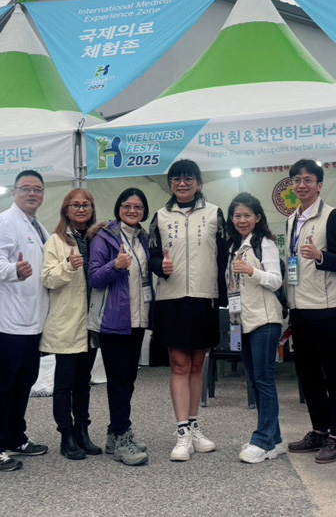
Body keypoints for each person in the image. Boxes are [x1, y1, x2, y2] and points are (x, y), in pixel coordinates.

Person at [148, 159, 226, 462]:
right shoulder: (160, 216)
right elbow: (152, 255)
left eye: (188, 178)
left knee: (197, 364)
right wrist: (161, 266)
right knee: (179, 364)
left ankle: (194, 427)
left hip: (204, 297)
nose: (182, 183)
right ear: (170, 184)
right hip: (172, 298)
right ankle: (182, 432)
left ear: (198, 183)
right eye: (177, 179)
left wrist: (223, 297)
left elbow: (223, 257)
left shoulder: (215, 214)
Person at [0, 170, 50, 471]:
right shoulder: (5, 222)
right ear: (14, 192)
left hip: (31, 320)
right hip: (6, 321)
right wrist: (14, 271)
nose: (32, 194)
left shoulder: (38, 226)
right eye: (26, 188)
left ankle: (14, 436)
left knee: (24, 381)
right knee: (3, 385)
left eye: (37, 189)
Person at [284, 159, 336, 464]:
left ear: (319, 185)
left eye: (308, 180)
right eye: (297, 180)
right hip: (299, 306)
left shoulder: (333, 216)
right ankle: (319, 430)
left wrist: (320, 255)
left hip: (327, 307)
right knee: (307, 372)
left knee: (333, 373)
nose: (302, 185)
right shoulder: (291, 219)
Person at [88, 188, 152, 466]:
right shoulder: (104, 237)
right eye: (127, 205)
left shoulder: (144, 238)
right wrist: (115, 265)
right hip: (113, 320)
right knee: (119, 381)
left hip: (138, 319)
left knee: (129, 379)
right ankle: (123, 437)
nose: (132, 210)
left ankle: (115, 433)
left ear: (144, 212)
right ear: (118, 208)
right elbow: (93, 277)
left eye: (138, 207)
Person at [41, 188, 103, 460]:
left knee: (83, 382)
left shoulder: (98, 238)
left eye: (86, 205)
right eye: (75, 205)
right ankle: (66, 435)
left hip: (92, 321)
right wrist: (68, 265)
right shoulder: (55, 240)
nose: (81, 209)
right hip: (68, 321)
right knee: (64, 383)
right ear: (65, 210)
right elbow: (47, 279)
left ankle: (82, 431)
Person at [225, 193, 285, 464]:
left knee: (264, 380)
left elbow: (276, 281)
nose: (242, 220)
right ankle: (274, 440)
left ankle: (263, 440)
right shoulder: (234, 247)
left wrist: (251, 271)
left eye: (247, 215)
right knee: (256, 381)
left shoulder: (265, 243)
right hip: (242, 322)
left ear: (258, 217)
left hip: (265, 320)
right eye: (237, 215)